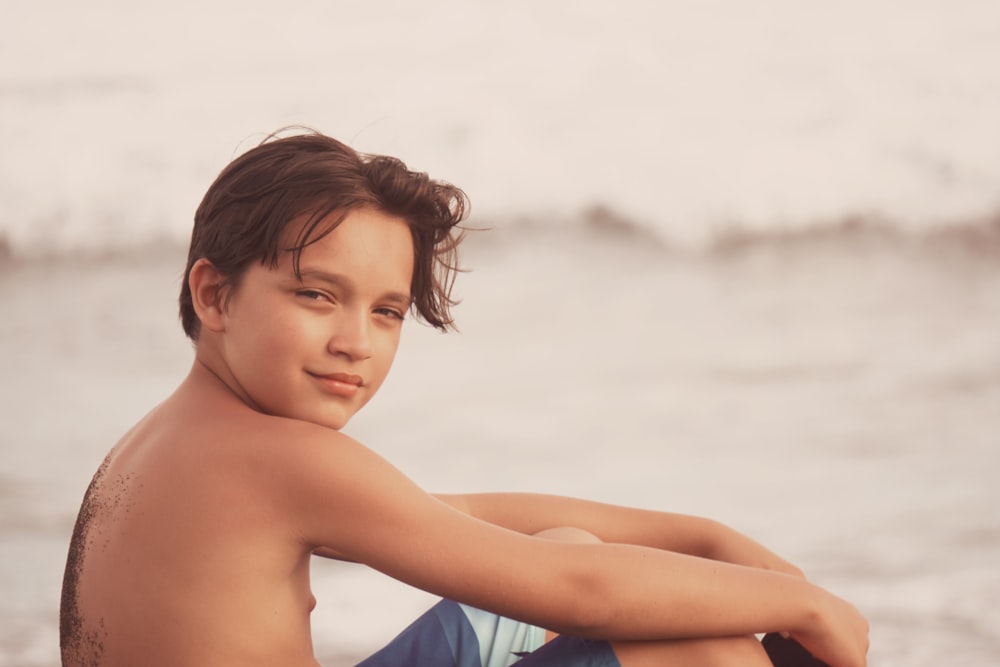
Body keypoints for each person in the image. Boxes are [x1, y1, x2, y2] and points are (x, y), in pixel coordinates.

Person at [59, 128, 869, 667]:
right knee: (701, 647)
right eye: (316, 296)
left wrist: (702, 534)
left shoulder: (177, 440)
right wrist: (802, 603)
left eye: (384, 311)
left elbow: (464, 514)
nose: (357, 342)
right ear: (215, 294)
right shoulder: (277, 458)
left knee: (571, 545)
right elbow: (582, 596)